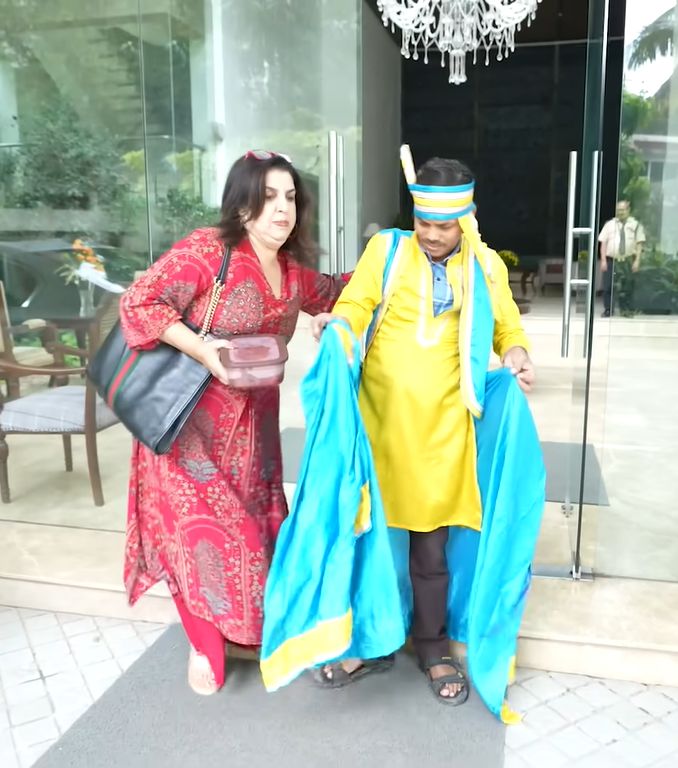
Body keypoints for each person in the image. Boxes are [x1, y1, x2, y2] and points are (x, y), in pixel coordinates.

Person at [310, 152, 535, 705]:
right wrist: (339, 325)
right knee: (375, 543)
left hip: (443, 435)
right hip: (380, 428)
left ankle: (433, 647)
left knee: (431, 552)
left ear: (467, 219)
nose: (431, 235)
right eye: (423, 222)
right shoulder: (387, 251)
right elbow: (356, 304)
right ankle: (371, 642)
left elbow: (508, 327)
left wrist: (517, 353)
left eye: (444, 226)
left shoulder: (485, 267)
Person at [119, 151, 346, 696]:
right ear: (242, 205)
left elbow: (338, 291)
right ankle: (204, 640)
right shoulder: (208, 251)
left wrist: (394, 259)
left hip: (256, 435)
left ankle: (238, 628)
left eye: (290, 198)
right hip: (189, 428)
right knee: (210, 539)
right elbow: (140, 303)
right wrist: (203, 349)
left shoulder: (293, 271)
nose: (282, 209)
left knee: (258, 539)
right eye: (268, 197)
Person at [598, 200, 645, 317]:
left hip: (627, 260)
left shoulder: (636, 225)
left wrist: (637, 260)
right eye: (618, 210)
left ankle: (626, 310)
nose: (620, 212)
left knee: (627, 286)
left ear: (628, 210)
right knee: (608, 286)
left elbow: (639, 244)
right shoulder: (609, 224)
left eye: (623, 210)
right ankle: (608, 309)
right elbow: (603, 243)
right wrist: (603, 260)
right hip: (611, 260)